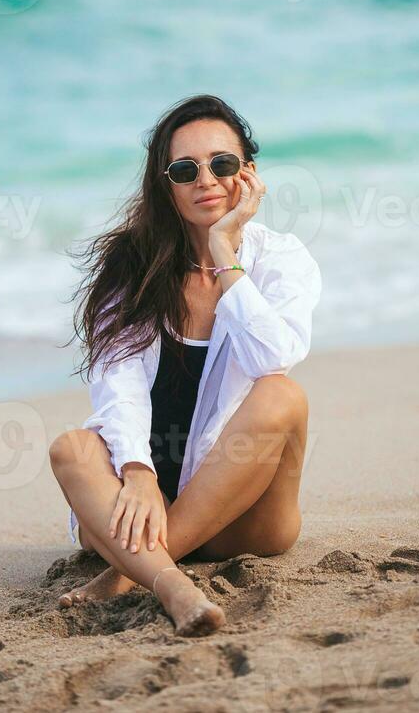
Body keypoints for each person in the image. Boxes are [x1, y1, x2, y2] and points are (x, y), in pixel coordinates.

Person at [49, 94, 322, 636]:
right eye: (184, 169)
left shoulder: (282, 259)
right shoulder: (132, 267)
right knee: (72, 448)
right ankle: (174, 585)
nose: (207, 180)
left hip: (241, 521)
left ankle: (133, 575)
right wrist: (138, 473)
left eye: (222, 164)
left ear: (248, 174)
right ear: (164, 184)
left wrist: (225, 250)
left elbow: (274, 357)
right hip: (135, 511)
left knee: (283, 395)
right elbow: (117, 386)